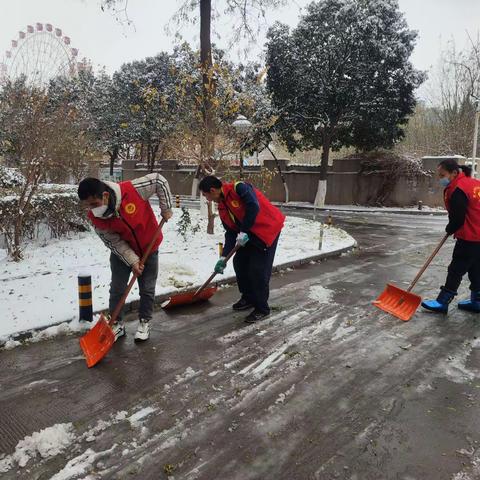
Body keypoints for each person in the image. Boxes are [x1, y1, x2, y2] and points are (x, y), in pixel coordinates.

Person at [78, 173, 173, 341]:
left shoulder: (132, 190)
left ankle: (144, 321)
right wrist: (133, 261)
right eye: (88, 206)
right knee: (117, 288)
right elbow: (114, 242)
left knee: (147, 288)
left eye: (94, 204)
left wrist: (166, 208)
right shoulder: (96, 218)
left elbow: (159, 180)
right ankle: (117, 324)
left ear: (105, 195)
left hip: (149, 247)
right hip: (122, 253)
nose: (92, 209)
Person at [198, 175, 285, 323]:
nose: (207, 199)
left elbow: (253, 206)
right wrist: (223, 258)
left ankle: (262, 308)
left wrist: (243, 231)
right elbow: (231, 232)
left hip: (266, 230)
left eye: (206, 195)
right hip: (248, 234)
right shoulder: (222, 206)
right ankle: (248, 298)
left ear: (212, 190)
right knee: (240, 262)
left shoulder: (239, 188)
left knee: (258, 270)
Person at [422, 159, 480, 313]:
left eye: (443, 175)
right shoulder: (474, 183)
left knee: (456, 269)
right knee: (476, 268)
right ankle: (477, 301)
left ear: (454, 173)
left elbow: (458, 219)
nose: (441, 179)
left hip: (470, 237)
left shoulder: (458, 189)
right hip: (478, 236)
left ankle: (443, 302)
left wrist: (450, 228)